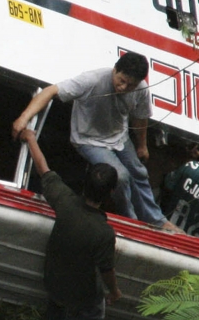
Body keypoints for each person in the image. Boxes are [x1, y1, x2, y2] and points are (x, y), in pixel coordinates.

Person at [12, 53, 170, 228]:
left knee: (138, 172)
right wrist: (24, 117)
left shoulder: (141, 89)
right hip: (88, 139)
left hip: (118, 136)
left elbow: (140, 118)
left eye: (130, 85)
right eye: (121, 81)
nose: (124, 87)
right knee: (121, 177)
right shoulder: (92, 80)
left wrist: (142, 145)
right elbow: (51, 91)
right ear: (115, 69)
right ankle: (130, 220)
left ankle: (157, 220)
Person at [18, 128, 121, 320]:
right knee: (94, 315)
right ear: (111, 193)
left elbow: (44, 169)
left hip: (53, 276)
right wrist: (115, 292)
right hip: (79, 290)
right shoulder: (104, 232)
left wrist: (31, 138)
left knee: (58, 307)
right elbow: (107, 269)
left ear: (84, 184)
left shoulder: (64, 200)